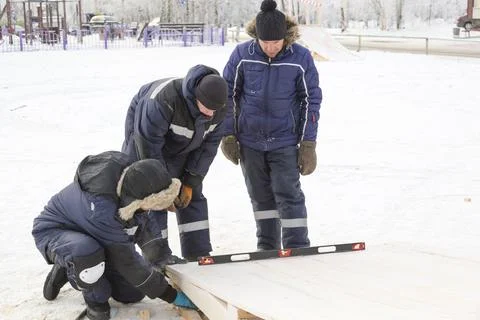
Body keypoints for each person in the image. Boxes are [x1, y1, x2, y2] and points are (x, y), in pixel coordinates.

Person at [32, 151, 196, 320]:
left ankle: (80, 264)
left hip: (97, 238)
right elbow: (126, 260)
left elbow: (144, 224)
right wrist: (170, 295)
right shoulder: (103, 208)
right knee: (88, 261)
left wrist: (161, 258)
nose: (149, 210)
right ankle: (77, 277)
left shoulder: (133, 184)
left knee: (133, 294)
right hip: (57, 231)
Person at [221, 0, 322, 251]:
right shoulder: (242, 55)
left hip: (285, 140)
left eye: (276, 43)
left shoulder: (300, 57)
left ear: (285, 38)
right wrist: (228, 135)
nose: (270, 48)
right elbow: (226, 96)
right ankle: (266, 247)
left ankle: (297, 246)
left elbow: (312, 99)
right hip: (250, 140)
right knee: (260, 197)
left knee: (288, 194)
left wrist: (308, 143)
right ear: (257, 38)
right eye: (265, 43)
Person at [121, 64, 228, 261]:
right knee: (153, 198)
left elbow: (208, 148)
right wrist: (166, 188)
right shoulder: (162, 101)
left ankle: (198, 253)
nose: (211, 114)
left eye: (216, 110)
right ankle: (157, 256)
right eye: (208, 108)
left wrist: (190, 181)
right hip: (146, 145)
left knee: (192, 196)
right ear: (196, 98)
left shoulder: (222, 107)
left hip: (186, 146)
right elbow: (149, 148)